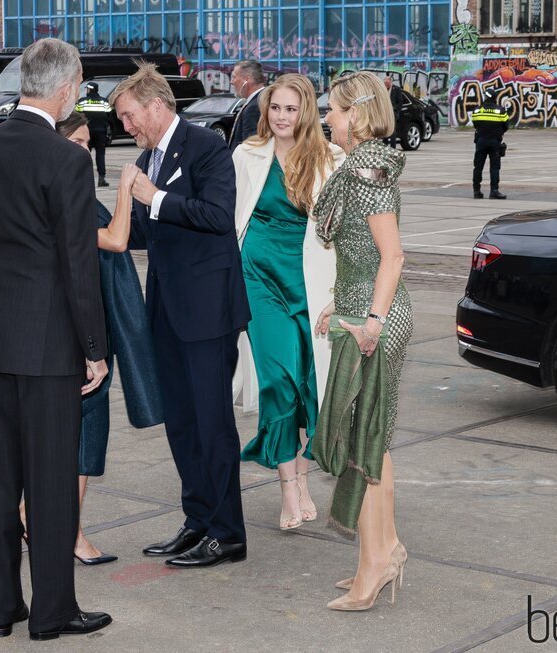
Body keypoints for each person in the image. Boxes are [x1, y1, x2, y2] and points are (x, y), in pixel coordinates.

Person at [0, 38, 112, 641]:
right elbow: (79, 264)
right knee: (50, 483)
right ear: (68, 85)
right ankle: (52, 612)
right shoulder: (65, 159)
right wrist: (93, 347)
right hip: (48, 348)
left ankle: (2, 608)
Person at [111, 63, 251, 568]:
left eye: (128, 116)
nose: (125, 127)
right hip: (167, 309)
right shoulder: (150, 156)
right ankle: (198, 519)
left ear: (155, 106)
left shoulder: (207, 146)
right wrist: (121, 209)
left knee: (212, 423)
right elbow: (151, 234)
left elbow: (217, 217)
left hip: (208, 311)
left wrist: (155, 197)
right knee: (182, 422)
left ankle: (228, 532)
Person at [18, 111, 164, 566]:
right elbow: (117, 240)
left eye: (86, 141)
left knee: (83, 437)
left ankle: (49, 522)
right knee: (79, 437)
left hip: (91, 332)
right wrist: (124, 189)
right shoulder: (64, 199)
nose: (83, 148)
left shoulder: (70, 192)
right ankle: (65, 531)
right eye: (75, 141)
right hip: (79, 338)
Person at [313, 70, 413, 611]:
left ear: (357, 114)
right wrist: (342, 299)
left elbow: (392, 257)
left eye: (334, 109)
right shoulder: (358, 166)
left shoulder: (367, 171)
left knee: (368, 439)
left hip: (377, 320)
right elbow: (362, 254)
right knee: (373, 439)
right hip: (361, 309)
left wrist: (371, 319)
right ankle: (386, 549)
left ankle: (374, 564)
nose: (328, 117)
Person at [232, 73, 343, 531]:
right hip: (257, 277)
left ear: (306, 113)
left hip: (309, 281)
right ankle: (288, 486)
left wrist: (339, 295)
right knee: (276, 379)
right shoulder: (246, 154)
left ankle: (299, 473)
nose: (281, 117)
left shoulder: (330, 158)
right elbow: (228, 217)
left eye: (291, 109)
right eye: (275, 108)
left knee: (304, 382)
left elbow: (343, 233)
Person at [471, 90, 509, 199]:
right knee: (495, 167)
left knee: (478, 167)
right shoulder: (500, 110)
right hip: (494, 142)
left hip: (481, 141)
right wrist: (498, 133)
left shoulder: (477, 110)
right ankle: (494, 191)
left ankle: (476, 191)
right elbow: (506, 125)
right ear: (495, 98)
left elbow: (475, 124)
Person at [74, 81, 111, 187]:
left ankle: (84, 178)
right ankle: (101, 178)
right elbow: (109, 115)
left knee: (85, 155)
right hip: (101, 132)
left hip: (87, 132)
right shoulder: (104, 102)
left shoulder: (82, 101)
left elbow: (77, 114)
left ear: (89, 90)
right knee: (100, 155)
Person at [228, 60, 266, 150]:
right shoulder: (262, 98)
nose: (231, 82)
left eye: (234, 77)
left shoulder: (254, 106)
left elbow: (250, 145)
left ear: (247, 79)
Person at [382, 77, 402, 149]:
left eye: (387, 83)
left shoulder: (396, 89)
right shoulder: (383, 90)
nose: (385, 85)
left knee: (392, 131)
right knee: (385, 131)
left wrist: (394, 108)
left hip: (393, 113)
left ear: (391, 82)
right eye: (384, 83)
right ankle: (385, 147)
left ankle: (393, 148)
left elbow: (400, 102)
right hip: (385, 113)